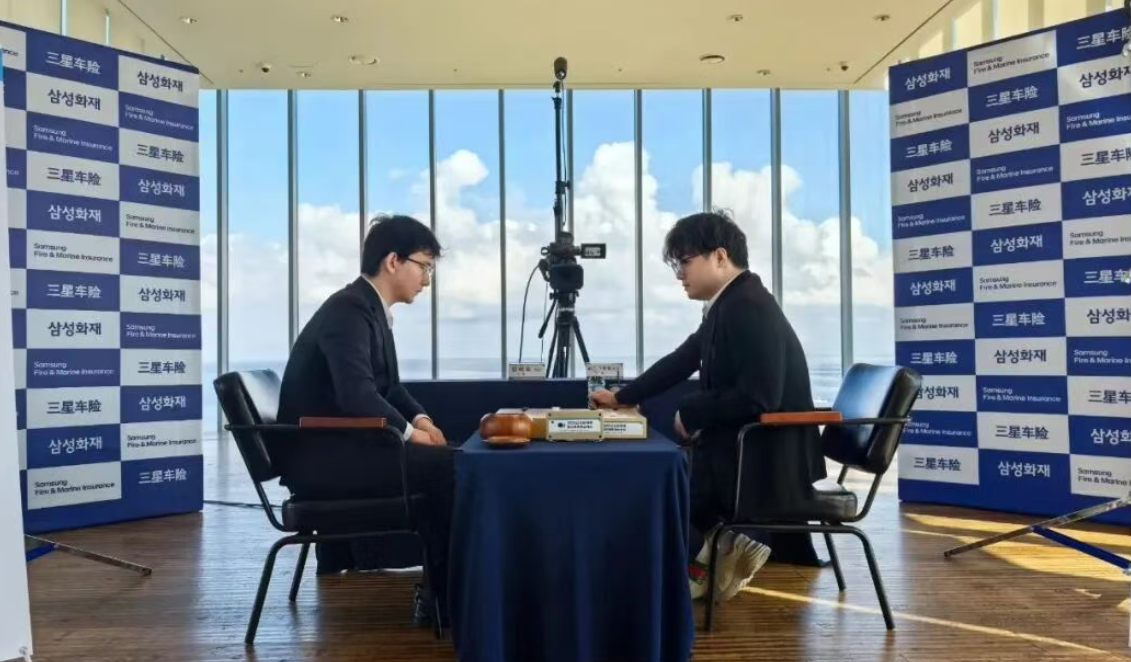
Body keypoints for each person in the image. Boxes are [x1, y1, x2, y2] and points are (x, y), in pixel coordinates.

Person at [589, 211, 822, 602]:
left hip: (767, 461)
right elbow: (683, 359)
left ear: (720, 256)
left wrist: (689, 410)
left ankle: (703, 565)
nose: (680, 274)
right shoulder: (730, 302)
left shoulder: (748, 306)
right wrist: (623, 396)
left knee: (656, 492)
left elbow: (758, 397)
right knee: (662, 486)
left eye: (685, 262)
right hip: (746, 450)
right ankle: (709, 561)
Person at [275, 214, 452, 624]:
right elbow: (356, 395)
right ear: (393, 261)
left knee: (450, 458)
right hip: (325, 461)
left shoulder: (368, 308)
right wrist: (411, 436)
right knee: (452, 470)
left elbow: (390, 388)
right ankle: (441, 596)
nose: (427, 280)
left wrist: (422, 421)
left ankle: (442, 586)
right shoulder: (349, 311)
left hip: (341, 450)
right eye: (424, 267)